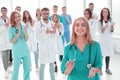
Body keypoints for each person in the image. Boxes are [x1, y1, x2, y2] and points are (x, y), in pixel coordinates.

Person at [35, 7, 57, 80]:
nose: (46, 15)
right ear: (41, 14)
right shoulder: (38, 24)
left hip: (51, 48)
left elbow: (56, 35)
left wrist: (54, 32)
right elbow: (37, 37)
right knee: (42, 67)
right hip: (43, 48)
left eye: (47, 13)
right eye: (44, 13)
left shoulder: (52, 23)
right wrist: (45, 32)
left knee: (51, 67)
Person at [8, 11, 30, 80]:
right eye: (15, 17)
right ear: (13, 19)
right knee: (15, 71)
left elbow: (26, 39)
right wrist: (18, 33)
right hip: (17, 52)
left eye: (18, 16)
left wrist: (25, 30)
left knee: (27, 70)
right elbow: (12, 41)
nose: (17, 18)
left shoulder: (23, 26)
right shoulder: (10, 28)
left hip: (25, 50)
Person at [98, 8, 115, 75]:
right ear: (102, 13)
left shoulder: (111, 20)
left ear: (108, 13)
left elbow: (111, 31)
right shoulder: (100, 21)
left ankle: (107, 68)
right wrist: (106, 26)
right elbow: (100, 32)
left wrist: (112, 27)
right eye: (103, 12)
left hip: (109, 40)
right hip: (102, 40)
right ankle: (100, 69)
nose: (105, 13)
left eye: (106, 12)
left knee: (108, 54)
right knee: (101, 55)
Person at [0, 7, 12, 78]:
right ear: (1, 12)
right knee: (4, 55)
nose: (4, 12)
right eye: (3, 11)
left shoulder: (8, 19)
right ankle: (5, 71)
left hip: (8, 40)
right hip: (2, 40)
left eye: (5, 11)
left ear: (7, 11)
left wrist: (8, 25)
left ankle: (7, 68)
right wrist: (4, 26)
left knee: (8, 55)